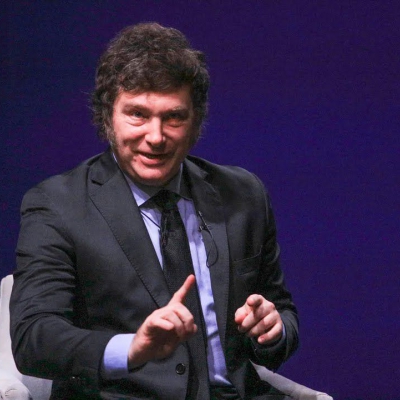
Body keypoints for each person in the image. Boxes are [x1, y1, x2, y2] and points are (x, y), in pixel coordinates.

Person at [10, 23, 299, 400]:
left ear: (196, 121)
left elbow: (282, 313)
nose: (156, 136)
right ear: (107, 116)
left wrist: (273, 330)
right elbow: (33, 339)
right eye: (137, 115)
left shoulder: (244, 194)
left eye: (173, 117)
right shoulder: (57, 205)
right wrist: (131, 349)